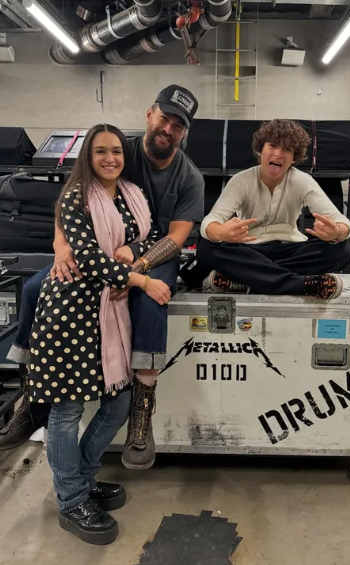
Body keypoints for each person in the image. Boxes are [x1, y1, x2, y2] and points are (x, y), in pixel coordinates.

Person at [0, 85, 204, 472]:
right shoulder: (118, 149)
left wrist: (138, 266)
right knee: (33, 288)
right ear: (149, 114)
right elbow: (71, 196)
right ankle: (32, 396)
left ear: (184, 132)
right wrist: (61, 246)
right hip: (100, 247)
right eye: (164, 118)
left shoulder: (189, 177)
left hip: (154, 253)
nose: (168, 129)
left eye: (178, 125)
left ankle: (141, 406)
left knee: (149, 302)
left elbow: (177, 237)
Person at [27, 123, 169, 544]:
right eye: (101, 151)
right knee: (66, 411)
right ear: (87, 156)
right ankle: (71, 500)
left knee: (118, 402)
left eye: (117, 151)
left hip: (110, 312)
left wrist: (134, 251)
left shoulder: (131, 194)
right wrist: (142, 280)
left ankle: (84, 478)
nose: (110, 158)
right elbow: (88, 259)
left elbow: (151, 235)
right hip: (70, 311)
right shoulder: (76, 197)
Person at [197, 119, 350, 298]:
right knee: (206, 248)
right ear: (260, 150)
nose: (278, 154)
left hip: (289, 250)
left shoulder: (302, 181)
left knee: (342, 248)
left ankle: (248, 280)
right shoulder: (241, 180)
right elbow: (211, 221)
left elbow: (342, 222)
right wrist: (221, 232)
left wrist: (337, 232)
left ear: (294, 158)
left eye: (287, 149)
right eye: (272, 146)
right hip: (250, 251)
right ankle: (301, 284)